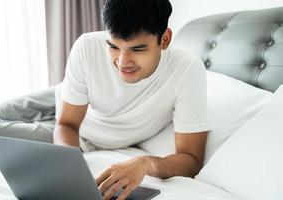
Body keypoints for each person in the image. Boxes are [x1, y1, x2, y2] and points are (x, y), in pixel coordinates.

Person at [53, 0, 209, 199]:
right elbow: (66, 124)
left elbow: (191, 160)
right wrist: (70, 164)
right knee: (2, 132)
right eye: (113, 47)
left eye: (137, 49)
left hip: (113, 137)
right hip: (74, 131)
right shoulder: (86, 46)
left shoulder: (187, 69)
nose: (123, 62)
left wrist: (145, 163)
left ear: (165, 40)